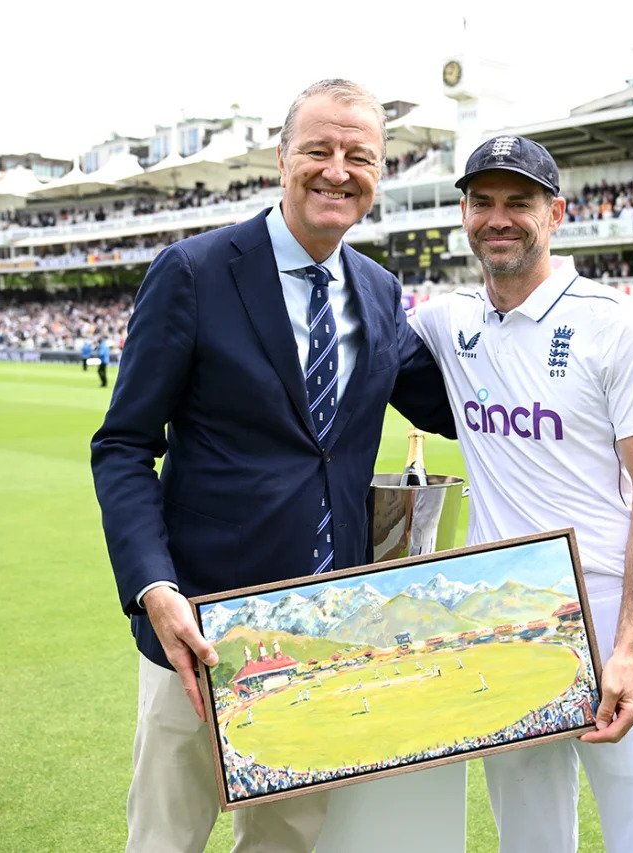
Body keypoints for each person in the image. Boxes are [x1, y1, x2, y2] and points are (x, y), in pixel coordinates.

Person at [90, 78, 454, 853]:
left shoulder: (383, 293)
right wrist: (156, 590)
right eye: (318, 149)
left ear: (379, 174)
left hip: (322, 633)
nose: (337, 169)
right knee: (166, 839)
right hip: (201, 629)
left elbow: (459, 407)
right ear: (280, 159)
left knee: (286, 844)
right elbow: (123, 445)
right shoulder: (193, 272)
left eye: (359, 155)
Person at [409, 135, 633, 852]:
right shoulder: (447, 321)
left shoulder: (613, 321)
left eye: (519, 202)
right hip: (503, 618)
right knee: (529, 838)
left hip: (603, 612)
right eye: (482, 202)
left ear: (556, 212)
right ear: (464, 213)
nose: (497, 218)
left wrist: (629, 645)